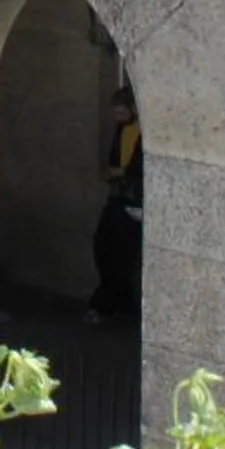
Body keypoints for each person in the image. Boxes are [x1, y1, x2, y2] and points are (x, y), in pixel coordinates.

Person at [86, 87, 143, 323]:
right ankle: (119, 305)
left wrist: (121, 172)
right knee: (103, 247)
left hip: (134, 200)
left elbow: (139, 167)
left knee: (120, 255)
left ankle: (104, 306)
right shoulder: (123, 130)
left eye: (121, 112)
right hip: (118, 196)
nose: (117, 117)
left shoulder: (142, 132)